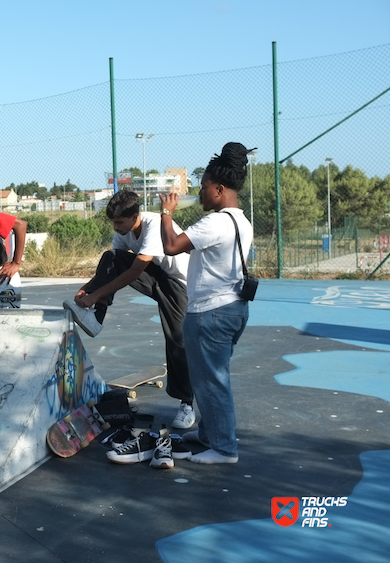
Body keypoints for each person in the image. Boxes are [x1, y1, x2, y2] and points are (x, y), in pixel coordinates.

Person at [63, 189, 196, 431]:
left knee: (177, 339)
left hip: (181, 284)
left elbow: (133, 273)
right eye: (113, 222)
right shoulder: (124, 232)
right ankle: (96, 318)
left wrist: (94, 294)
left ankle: (187, 404)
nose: (115, 227)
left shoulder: (153, 225)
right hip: (159, 276)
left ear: (135, 216)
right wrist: (87, 289)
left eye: (119, 222)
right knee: (111, 257)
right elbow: (114, 266)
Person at [158, 142, 254, 465]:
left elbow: (171, 246)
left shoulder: (215, 223)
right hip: (233, 309)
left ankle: (224, 448)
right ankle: (209, 434)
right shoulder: (242, 222)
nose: (199, 194)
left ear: (219, 188)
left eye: (203, 188)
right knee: (209, 378)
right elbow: (193, 250)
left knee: (213, 381)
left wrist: (166, 212)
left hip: (210, 313)